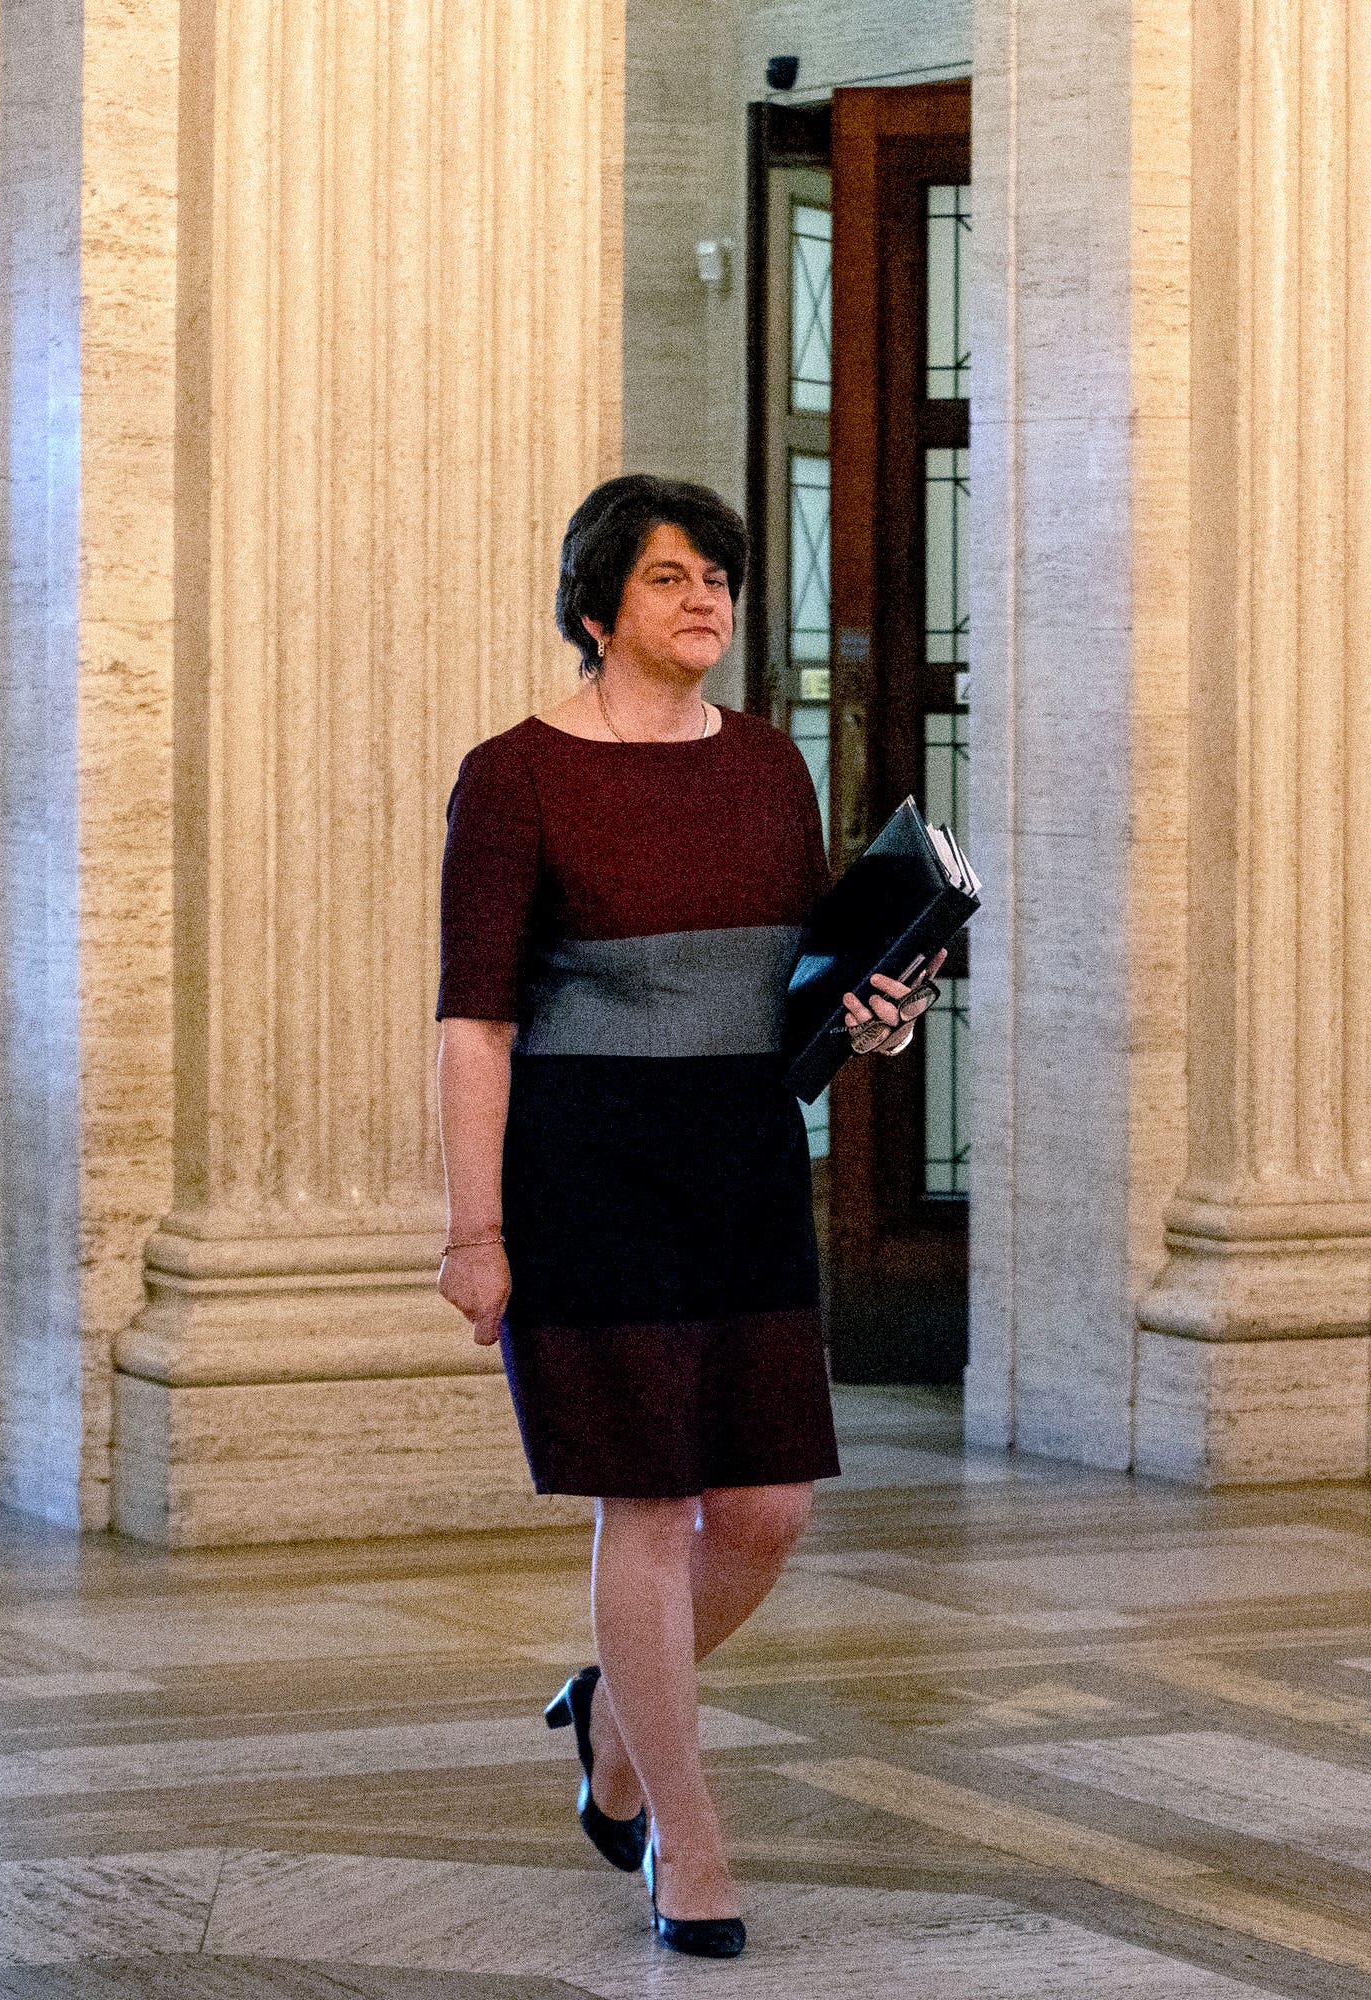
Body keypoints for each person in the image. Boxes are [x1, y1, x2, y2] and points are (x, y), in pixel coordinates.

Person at [433, 475, 940, 1958]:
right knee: (646, 1502)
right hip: (586, 1170)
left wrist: (875, 1012)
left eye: (718, 574)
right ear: (598, 606)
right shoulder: (515, 774)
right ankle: (689, 1842)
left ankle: (609, 1705)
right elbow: (475, 1024)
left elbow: (795, 990)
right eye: (669, 576)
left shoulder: (770, 767)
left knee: (768, 1508)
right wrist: (477, 1233)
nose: (706, 595)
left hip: (741, 1157)